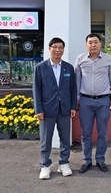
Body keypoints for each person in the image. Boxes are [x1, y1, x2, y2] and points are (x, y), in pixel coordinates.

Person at [33, 37, 77, 180]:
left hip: (64, 109)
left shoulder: (68, 68)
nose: (58, 50)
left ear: (63, 50)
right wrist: (38, 109)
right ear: (49, 48)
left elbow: (72, 89)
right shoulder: (40, 68)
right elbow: (36, 90)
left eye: (61, 47)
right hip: (47, 110)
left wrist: (72, 106)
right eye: (55, 47)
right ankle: (45, 166)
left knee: (65, 139)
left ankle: (64, 163)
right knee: (46, 139)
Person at [75, 33, 111, 173]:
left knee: (103, 133)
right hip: (85, 100)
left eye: (95, 42)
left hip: (103, 101)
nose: (93, 45)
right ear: (86, 45)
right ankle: (86, 161)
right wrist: (76, 99)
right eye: (90, 42)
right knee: (86, 133)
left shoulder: (109, 59)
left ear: (101, 44)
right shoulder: (80, 59)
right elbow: (77, 81)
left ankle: (100, 160)